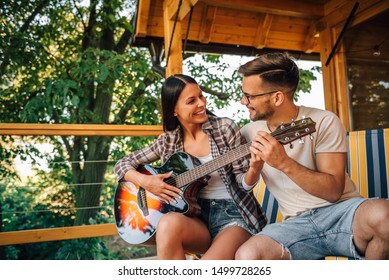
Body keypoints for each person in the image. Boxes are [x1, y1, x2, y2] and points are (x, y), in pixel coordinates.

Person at [234, 52, 389, 260]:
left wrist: (283, 162)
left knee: (386, 216)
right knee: (248, 255)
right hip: (294, 225)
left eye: (250, 96)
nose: (243, 101)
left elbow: (333, 191)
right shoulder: (248, 133)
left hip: (342, 213)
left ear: (277, 97)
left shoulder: (323, 121)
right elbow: (235, 181)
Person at [114, 74, 267, 259]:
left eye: (201, 96)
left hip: (233, 216)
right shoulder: (169, 141)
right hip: (195, 219)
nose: (201, 104)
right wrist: (146, 182)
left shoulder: (224, 128)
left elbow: (243, 184)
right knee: (167, 224)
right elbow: (121, 165)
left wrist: (254, 170)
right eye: (191, 101)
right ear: (174, 110)